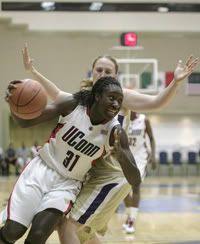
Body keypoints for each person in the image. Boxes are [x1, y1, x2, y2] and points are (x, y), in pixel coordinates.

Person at [21, 44, 199, 244]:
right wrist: (33, 72)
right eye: (99, 69)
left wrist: (174, 83)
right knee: (83, 231)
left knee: (67, 223)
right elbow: (57, 94)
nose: (103, 73)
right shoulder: (88, 96)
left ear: (116, 76)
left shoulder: (122, 96)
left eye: (108, 71)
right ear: (92, 71)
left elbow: (156, 103)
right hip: (93, 172)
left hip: (113, 173)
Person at [0, 76, 141, 244]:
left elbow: (135, 179)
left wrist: (122, 157)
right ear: (97, 96)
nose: (116, 104)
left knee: (37, 236)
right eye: (111, 98)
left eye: (119, 100)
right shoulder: (73, 106)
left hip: (67, 185)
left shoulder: (115, 132)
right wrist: (13, 103)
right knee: (12, 232)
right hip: (41, 170)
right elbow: (25, 123)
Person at [121, 111, 156, 234]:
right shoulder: (121, 119)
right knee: (123, 190)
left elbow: (151, 138)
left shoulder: (144, 120)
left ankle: (131, 220)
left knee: (135, 187)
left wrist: (153, 155)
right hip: (125, 157)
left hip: (140, 158)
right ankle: (129, 214)